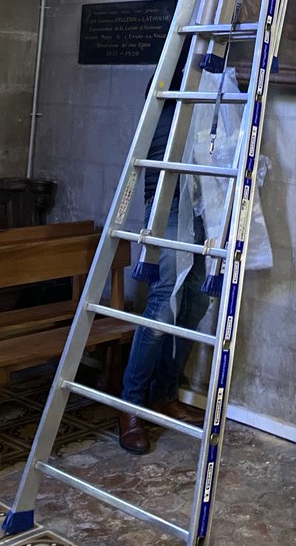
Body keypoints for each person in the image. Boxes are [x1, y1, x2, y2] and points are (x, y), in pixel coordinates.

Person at [117, 69, 211, 454]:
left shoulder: (207, 83)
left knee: (196, 301)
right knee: (163, 304)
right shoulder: (169, 80)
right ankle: (130, 405)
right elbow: (164, 149)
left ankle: (165, 393)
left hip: (200, 202)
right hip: (170, 202)